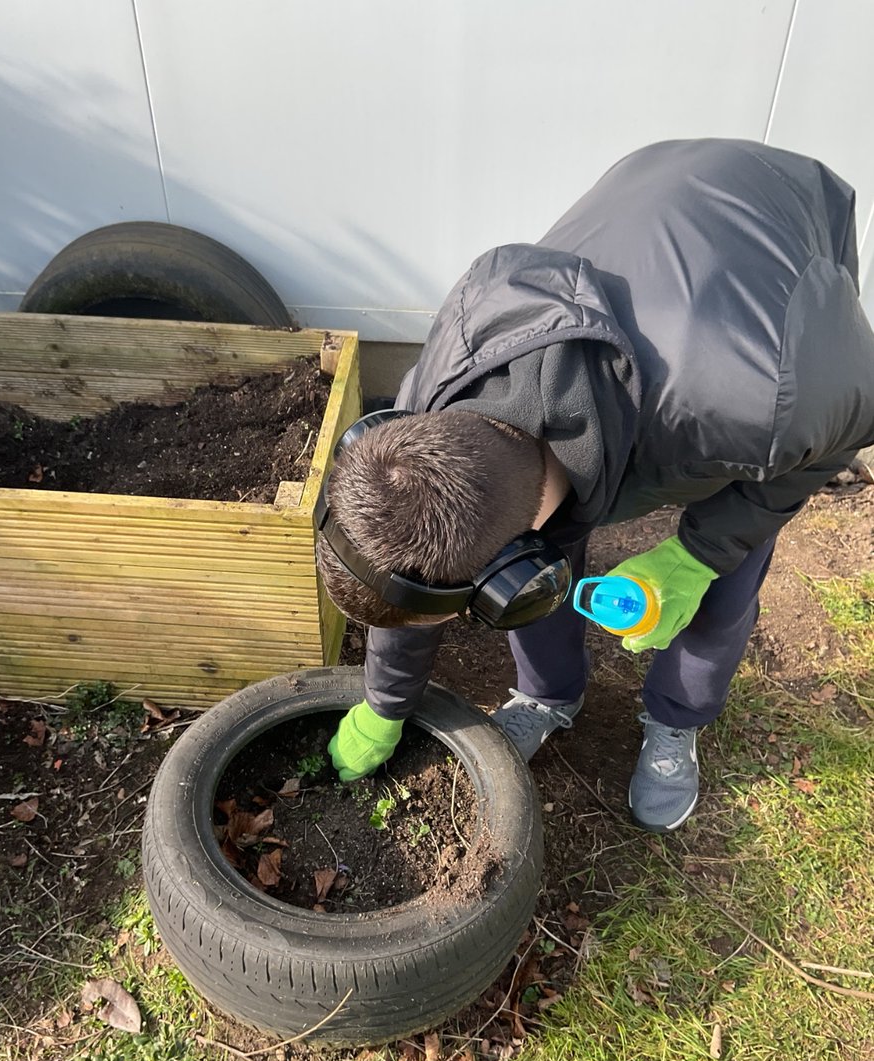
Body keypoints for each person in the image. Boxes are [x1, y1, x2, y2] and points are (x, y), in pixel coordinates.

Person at [315, 138, 874, 834]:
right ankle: (548, 695)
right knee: (547, 557)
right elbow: (406, 572)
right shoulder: (444, 383)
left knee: (726, 570)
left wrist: (697, 556)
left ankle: (677, 720)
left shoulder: (761, 402)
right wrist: (385, 700)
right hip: (644, 203)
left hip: (776, 244)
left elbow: (844, 427)